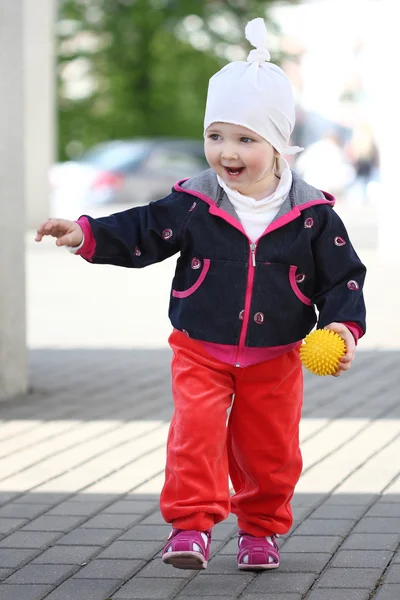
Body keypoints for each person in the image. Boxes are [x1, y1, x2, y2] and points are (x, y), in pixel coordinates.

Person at [36, 18, 366, 572]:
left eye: (245, 139)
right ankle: (191, 527)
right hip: (200, 348)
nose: (227, 152)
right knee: (196, 437)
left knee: (270, 452)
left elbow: (343, 277)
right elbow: (144, 229)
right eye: (216, 136)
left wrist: (341, 327)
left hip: (277, 353)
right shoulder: (194, 202)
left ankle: (259, 531)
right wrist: (88, 234)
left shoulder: (313, 216)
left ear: (280, 145)